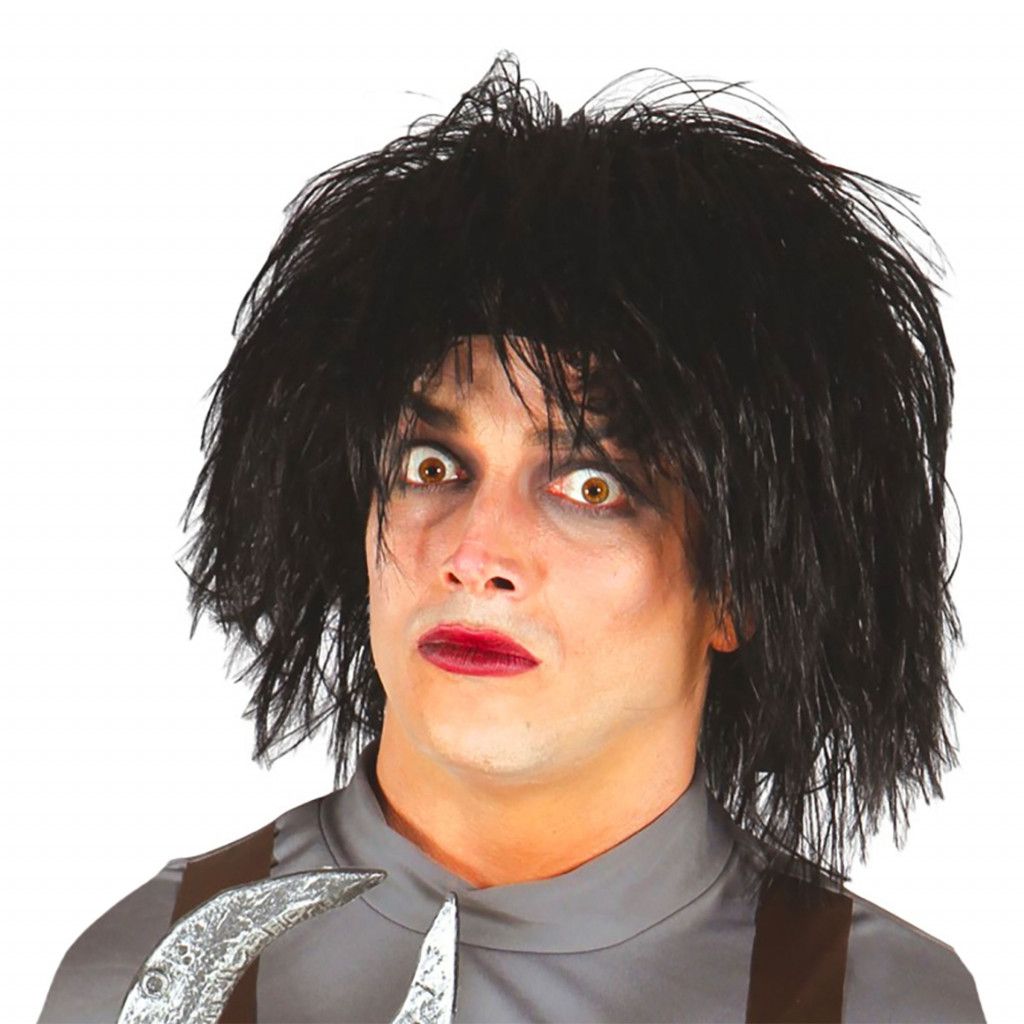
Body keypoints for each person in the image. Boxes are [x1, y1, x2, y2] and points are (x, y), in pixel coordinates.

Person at [39, 51, 985, 1023]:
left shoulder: (871, 1003)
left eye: (591, 486)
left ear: (737, 585)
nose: (474, 553)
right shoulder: (145, 978)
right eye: (432, 467)